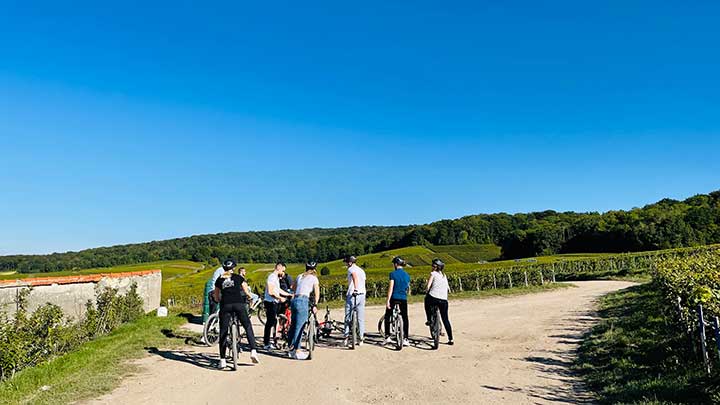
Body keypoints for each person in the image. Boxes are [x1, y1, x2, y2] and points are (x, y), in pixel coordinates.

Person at [213, 260, 259, 368]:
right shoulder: (238, 277)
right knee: (247, 326)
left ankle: (223, 360)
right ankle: (253, 351)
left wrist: (219, 300)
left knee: (223, 331)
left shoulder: (219, 280)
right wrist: (249, 297)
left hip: (226, 305)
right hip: (239, 304)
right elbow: (246, 290)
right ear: (233, 268)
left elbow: (216, 296)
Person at [288, 261, 320, 360]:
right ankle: (297, 350)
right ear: (314, 269)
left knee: (293, 325)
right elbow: (317, 293)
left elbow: (292, 288)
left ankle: (291, 347)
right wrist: (315, 304)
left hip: (295, 300)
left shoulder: (299, 276)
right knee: (300, 326)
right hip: (303, 300)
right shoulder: (314, 278)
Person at [263, 262, 292, 350]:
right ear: (279, 268)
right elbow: (271, 291)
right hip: (270, 302)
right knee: (270, 322)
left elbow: (278, 289)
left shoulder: (275, 278)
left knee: (273, 321)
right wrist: (280, 298)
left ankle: (270, 341)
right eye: (283, 270)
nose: (283, 273)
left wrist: (289, 295)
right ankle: (266, 343)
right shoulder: (272, 277)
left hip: (274, 302)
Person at [424, 259, 454, 345]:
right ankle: (451, 339)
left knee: (426, 300)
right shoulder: (444, 276)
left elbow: (428, 286)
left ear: (435, 267)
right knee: (445, 319)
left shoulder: (433, 274)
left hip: (433, 297)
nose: (431, 267)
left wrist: (426, 290)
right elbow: (449, 289)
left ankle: (429, 319)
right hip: (444, 300)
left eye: (432, 266)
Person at [385, 256, 411, 346]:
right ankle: (406, 338)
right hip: (403, 298)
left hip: (394, 297)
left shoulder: (393, 274)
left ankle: (387, 336)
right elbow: (408, 289)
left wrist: (388, 300)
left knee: (388, 315)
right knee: (405, 317)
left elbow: (391, 288)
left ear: (396, 264)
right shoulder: (407, 275)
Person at [343, 255, 366, 346]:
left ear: (350, 262)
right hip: (362, 294)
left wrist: (355, 289)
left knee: (348, 316)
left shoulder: (351, 269)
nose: (346, 264)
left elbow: (355, 277)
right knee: (360, 318)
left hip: (353, 294)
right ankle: (361, 338)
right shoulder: (362, 270)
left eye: (346, 262)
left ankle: (346, 337)